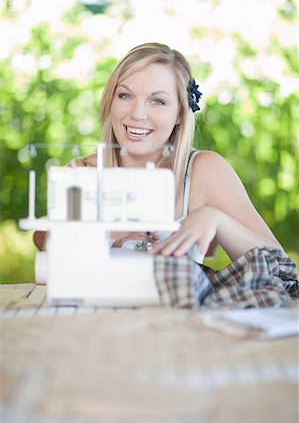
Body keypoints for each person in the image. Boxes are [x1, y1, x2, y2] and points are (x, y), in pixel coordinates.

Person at [34, 42, 282, 262]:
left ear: (179, 114)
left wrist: (217, 220)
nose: (137, 114)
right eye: (125, 95)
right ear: (110, 101)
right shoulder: (80, 173)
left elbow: (283, 269)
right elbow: (44, 242)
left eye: (158, 101)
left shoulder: (203, 171)